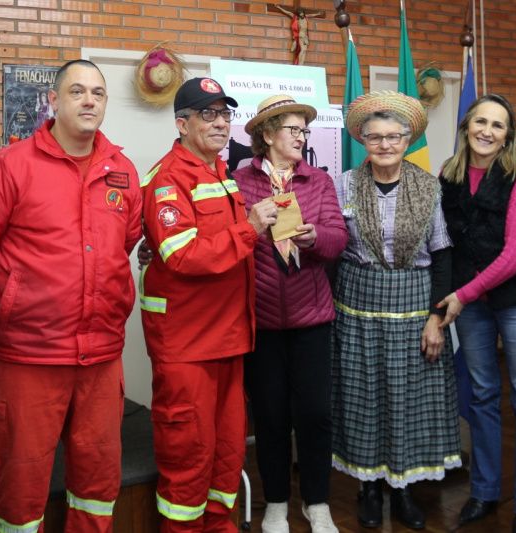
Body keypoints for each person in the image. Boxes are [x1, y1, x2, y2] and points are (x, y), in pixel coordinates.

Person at [0, 59, 142, 533]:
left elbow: (125, 242)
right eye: (77, 91)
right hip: (29, 356)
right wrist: (23, 287)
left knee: (98, 485)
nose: (89, 101)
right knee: (21, 485)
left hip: (100, 356)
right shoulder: (7, 166)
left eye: (98, 93)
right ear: (53, 101)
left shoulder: (122, 170)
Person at [139, 77, 276, 532]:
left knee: (227, 453)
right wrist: (251, 228)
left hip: (228, 338)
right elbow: (182, 255)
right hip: (187, 345)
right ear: (182, 124)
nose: (220, 123)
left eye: (225, 114)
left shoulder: (220, 172)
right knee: (188, 458)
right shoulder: (166, 179)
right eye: (208, 114)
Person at [331, 90, 461, 530]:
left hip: (413, 308)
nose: (385, 145)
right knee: (363, 399)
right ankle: (368, 489)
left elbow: (442, 255)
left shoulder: (428, 187)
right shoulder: (345, 184)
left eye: (394, 137)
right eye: (375, 137)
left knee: (407, 401)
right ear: (362, 141)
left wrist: (435, 318)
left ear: (408, 140)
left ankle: (402, 490)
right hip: (356, 309)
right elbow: (332, 250)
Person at [438, 94, 516, 533]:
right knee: (481, 397)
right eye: (480, 121)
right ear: (467, 125)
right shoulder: (447, 177)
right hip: (473, 305)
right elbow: (445, 245)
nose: (487, 131)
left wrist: (462, 295)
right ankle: (484, 492)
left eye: (498, 125)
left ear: (508, 135)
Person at [233, 95, 346, 533]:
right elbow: (229, 241)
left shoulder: (318, 181)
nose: (302, 137)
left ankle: (316, 503)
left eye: (304, 130)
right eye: (293, 130)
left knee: (316, 414)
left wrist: (316, 237)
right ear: (267, 135)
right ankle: (277, 502)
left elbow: (338, 239)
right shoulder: (239, 182)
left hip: (312, 319)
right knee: (271, 415)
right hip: (260, 323)